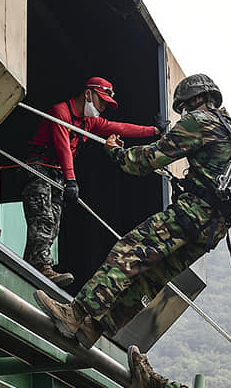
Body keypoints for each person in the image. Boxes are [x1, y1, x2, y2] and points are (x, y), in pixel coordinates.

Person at [33, 73, 231, 347]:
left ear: (196, 99)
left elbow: (149, 159)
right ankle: (95, 328)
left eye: (184, 107)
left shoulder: (199, 122)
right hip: (213, 230)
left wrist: (117, 154)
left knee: (131, 251)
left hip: (191, 213)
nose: (184, 113)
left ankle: (75, 313)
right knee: (152, 278)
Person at [22, 76, 160, 287]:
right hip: (39, 165)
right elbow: (63, 148)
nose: (103, 107)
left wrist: (154, 131)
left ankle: (32, 265)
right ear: (88, 94)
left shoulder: (89, 121)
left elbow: (120, 127)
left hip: (58, 171)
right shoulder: (61, 112)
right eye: (101, 101)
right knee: (44, 218)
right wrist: (71, 180)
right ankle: (42, 267)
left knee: (54, 223)